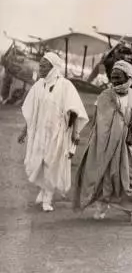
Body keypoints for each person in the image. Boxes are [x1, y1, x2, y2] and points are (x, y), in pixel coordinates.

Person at [73, 61, 132, 225]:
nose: (115, 81)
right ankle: (108, 206)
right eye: (112, 78)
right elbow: (100, 121)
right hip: (105, 144)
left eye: (118, 77)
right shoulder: (104, 96)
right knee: (105, 175)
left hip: (128, 144)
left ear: (128, 76)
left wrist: (131, 124)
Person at [17, 52, 88, 212]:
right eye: (40, 65)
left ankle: (47, 198)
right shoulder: (38, 85)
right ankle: (43, 191)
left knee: (52, 164)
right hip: (39, 133)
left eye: (44, 65)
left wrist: (75, 133)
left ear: (53, 67)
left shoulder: (65, 85)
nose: (40, 68)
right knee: (39, 163)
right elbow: (31, 111)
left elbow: (74, 110)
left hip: (57, 133)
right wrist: (24, 131)